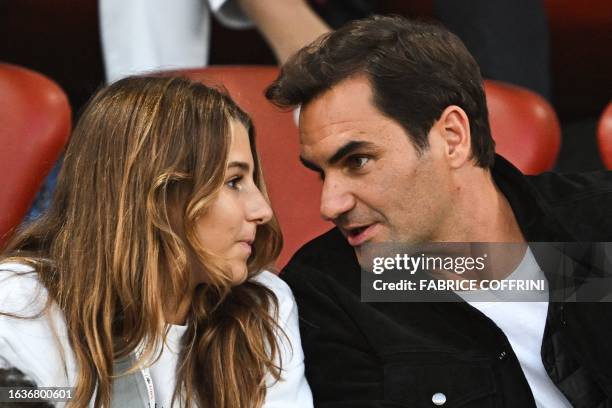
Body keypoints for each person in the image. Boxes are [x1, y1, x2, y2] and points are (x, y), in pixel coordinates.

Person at [265, 15, 612, 407]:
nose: (330, 204)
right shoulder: (330, 295)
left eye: (358, 161)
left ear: (452, 137)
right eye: (320, 173)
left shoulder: (598, 220)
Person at [0, 76, 312, 407]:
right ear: (155, 196)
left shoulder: (262, 304)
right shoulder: (22, 304)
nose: (262, 210)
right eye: (234, 181)